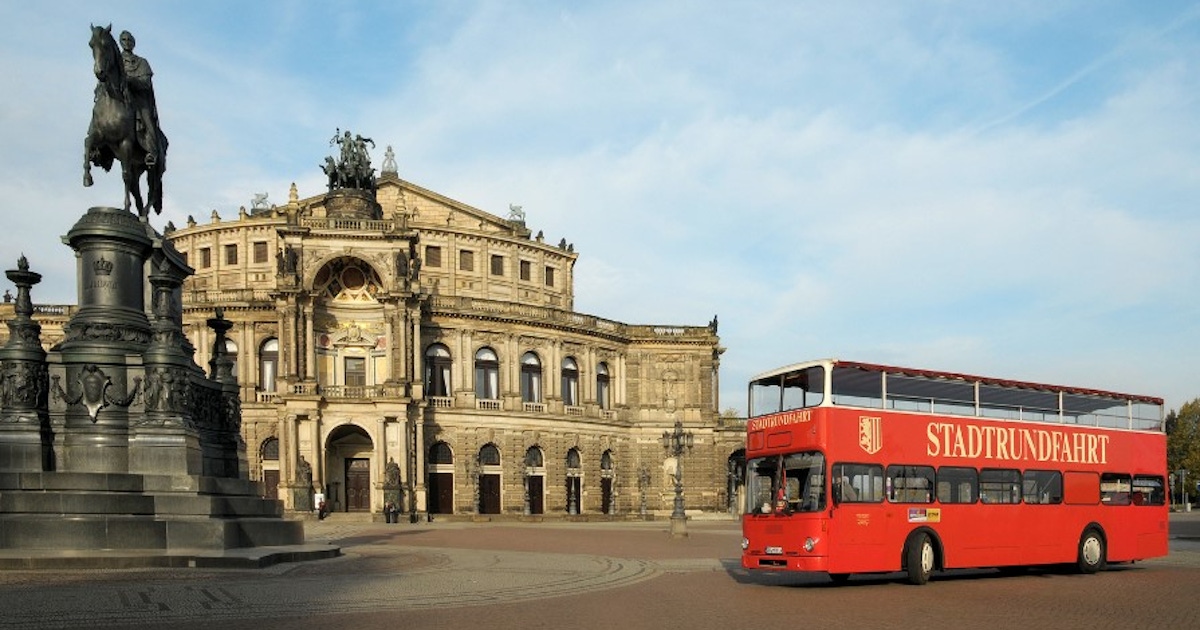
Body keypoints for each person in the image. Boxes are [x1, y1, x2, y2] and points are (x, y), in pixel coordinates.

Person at [118, 30, 161, 166]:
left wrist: (129, 81)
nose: (127, 42)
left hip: (138, 99)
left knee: (147, 119)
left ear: (134, 43)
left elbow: (146, 83)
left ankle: (151, 151)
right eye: (124, 40)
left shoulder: (142, 62)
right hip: (119, 97)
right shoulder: (115, 61)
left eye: (129, 40)